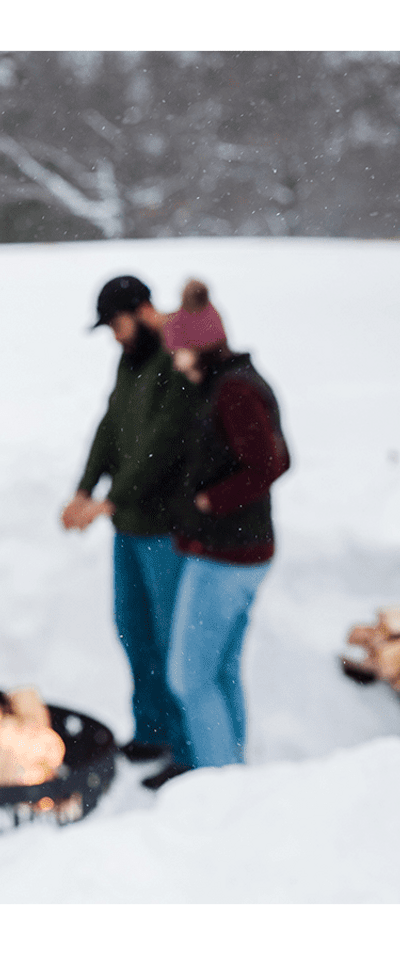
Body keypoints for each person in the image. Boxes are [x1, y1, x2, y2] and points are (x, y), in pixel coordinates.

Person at [144, 280, 290, 790]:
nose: (176, 361)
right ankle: (232, 776)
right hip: (239, 551)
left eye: (179, 350)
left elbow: (269, 463)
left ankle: (218, 791)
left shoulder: (234, 391)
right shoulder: (234, 383)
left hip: (226, 555)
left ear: (200, 347)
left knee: (189, 676)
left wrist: (210, 501)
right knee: (219, 670)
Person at [60, 275, 196, 768]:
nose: (115, 336)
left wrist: (109, 500)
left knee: (171, 638)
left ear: (141, 310)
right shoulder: (131, 358)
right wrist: (84, 487)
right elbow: (111, 423)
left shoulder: (175, 355)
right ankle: (152, 731)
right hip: (128, 528)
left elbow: (166, 442)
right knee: (133, 629)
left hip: (165, 528)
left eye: (117, 324)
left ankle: (186, 750)